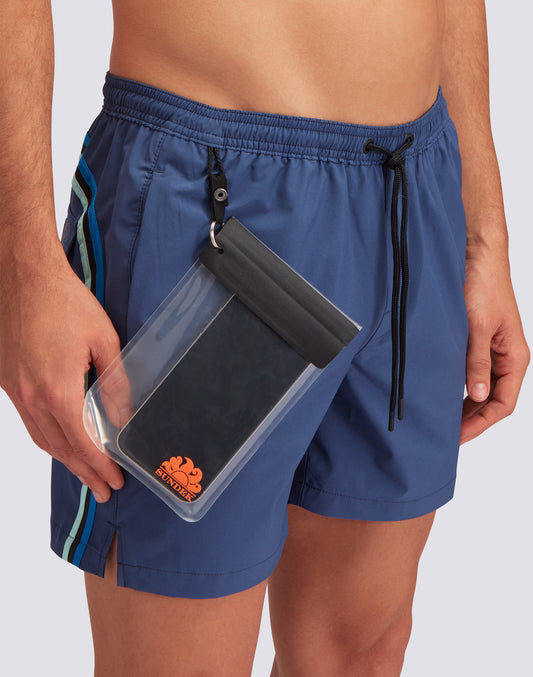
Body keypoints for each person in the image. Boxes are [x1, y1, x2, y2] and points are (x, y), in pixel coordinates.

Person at [0, 0, 529, 675]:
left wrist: (483, 233)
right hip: (211, 200)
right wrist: (21, 267)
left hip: (411, 191)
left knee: (358, 653)